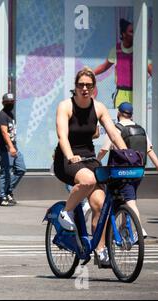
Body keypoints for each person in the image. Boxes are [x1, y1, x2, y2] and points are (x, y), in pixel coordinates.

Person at [53, 67, 127, 266]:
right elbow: (62, 136)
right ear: (75, 88)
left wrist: (126, 153)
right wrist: (70, 156)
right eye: (80, 85)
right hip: (66, 159)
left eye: (88, 85)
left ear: (94, 88)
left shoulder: (99, 107)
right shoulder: (65, 106)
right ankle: (65, 212)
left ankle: (100, 248)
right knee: (88, 179)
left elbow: (113, 133)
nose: (84, 89)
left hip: (89, 158)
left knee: (100, 205)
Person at [97, 102, 158, 238]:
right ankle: (124, 227)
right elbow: (150, 151)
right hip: (138, 172)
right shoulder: (140, 129)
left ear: (119, 113)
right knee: (127, 198)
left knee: (129, 201)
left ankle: (139, 230)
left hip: (121, 172)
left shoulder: (116, 128)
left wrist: (96, 162)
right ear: (131, 114)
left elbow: (103, 149)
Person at [94, 18, 152, 108]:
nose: (134, 34)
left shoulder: (140, 50)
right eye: (131, 31)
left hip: (137, 93)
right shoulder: (116, 50)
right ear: (124, 34)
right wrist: (89, 73)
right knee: (120, 119)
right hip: (120, 92)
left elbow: (151, 69)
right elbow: (104, 67)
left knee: (137, 120)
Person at [0, 93, 26, 206]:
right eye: (8, 102)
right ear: (3, 103)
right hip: (4, 150)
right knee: (6, 172)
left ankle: (8, 190)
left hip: (14, 148)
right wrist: (11, 147)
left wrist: (14, 147)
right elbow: (4, 132)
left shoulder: (11, 115)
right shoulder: (1, 115)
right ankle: (1, 196)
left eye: (12, 102)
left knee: (21, 169)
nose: (10, 104)